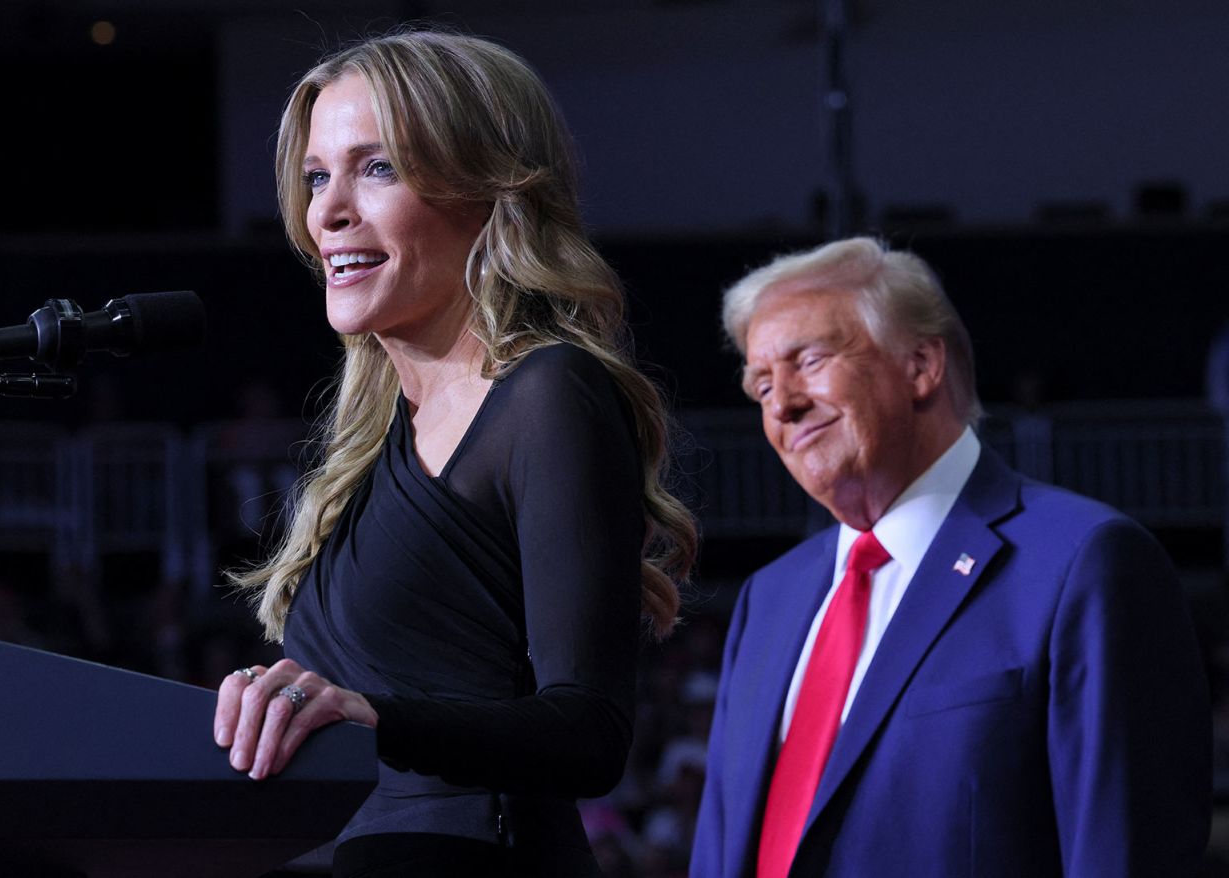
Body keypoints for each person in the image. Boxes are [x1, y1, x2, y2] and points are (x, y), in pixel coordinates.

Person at [211, 30, 696, 877]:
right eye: (319, 174)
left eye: (378, 168)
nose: (326, 210)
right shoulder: (372, 443)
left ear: (489, 191)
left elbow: (588, 732)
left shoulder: (548, 395)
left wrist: (373, 716)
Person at [690, 237, 1210, 876]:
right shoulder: (768, 599)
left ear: (920, 366)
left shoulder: (1083, 563)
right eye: (761, 385)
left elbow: (1122, 853)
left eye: (810, 360)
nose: (782, 404)